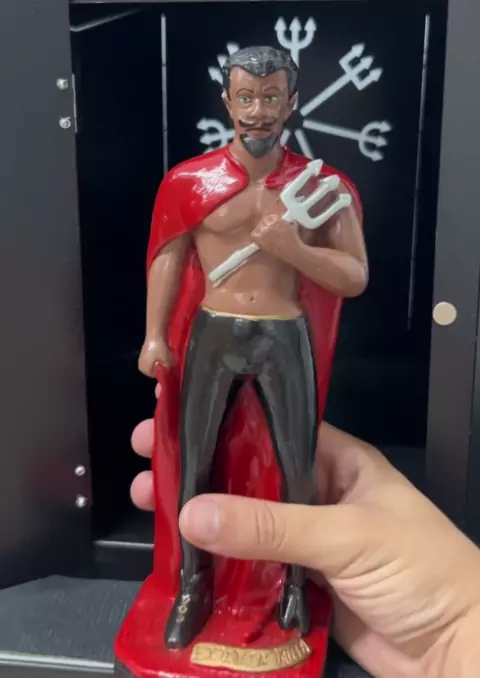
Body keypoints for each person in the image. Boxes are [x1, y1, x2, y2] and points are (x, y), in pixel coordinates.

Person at [138, 45, 368, 647]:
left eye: (270, 98)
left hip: (283, 333)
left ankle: (294, 582)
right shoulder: (189, 182)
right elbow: (168, 257)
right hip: (213, 332)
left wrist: (293, 250)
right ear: (227, 101)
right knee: (194, 460)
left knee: (296, 464)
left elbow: (353, 276)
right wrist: (156, 333)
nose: (258, 111)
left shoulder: (325, 187)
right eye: (246, 97)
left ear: (291, 103)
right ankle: (193, 583)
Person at [131, 409, 480, 678]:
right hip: (213, 339)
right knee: (192, 453)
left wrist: (460, 622)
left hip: (285, 341)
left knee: (296, 461)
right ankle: (193, 587)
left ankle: (293, 591)